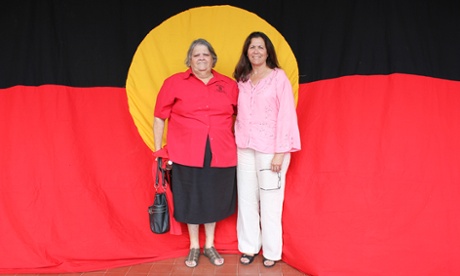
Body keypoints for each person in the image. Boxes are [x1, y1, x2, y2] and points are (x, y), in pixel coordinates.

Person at [153, 38, 238, 268]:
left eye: (206, 54)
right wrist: (158, 150)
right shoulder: (174, 83)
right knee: (190, 197)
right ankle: (193, 247)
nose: (201, 58)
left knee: (212, 197)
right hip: (185, 151)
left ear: (213, 59)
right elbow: (160, 116)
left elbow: (242, 116)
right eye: (196, 55)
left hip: (220, 151)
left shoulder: (229, 85)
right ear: (189, 60)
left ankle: (209, 245)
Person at [233, 31, 301, 268]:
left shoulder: (278, 77)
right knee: (247, 200)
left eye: (261, 47)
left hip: (271, 149)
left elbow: (286, 116)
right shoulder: (241, 79)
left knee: (270, 202)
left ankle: (272, 251)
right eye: (252, 47)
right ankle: (249, 247)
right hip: (244, 147)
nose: (256, 51)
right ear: (246, 51)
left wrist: (280, 152)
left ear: (268, 51)